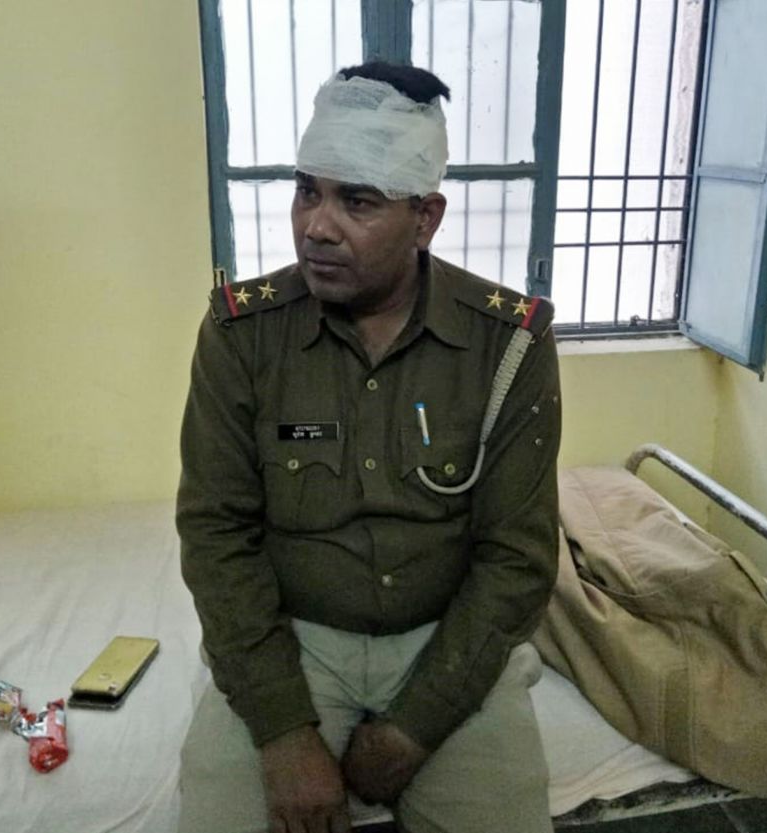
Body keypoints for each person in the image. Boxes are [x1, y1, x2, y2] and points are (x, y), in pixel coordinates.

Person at [177, 61, 562, 833]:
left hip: (444, 641)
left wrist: (418, 724)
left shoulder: (508, 344)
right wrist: (283, 730)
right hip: (293, 638)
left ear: (425, 218)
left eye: (357, 200)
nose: (317, 224)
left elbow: (517, 554)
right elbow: (217, 534)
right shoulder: (242, 334)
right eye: (306, 190)